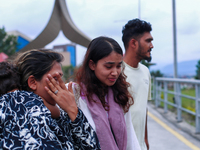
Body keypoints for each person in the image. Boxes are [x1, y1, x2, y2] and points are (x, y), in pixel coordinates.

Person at [0, 49, 100, 150]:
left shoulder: (61, 114)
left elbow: (92, 147)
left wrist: (73, 111)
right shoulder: (21, 109)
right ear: (33, 82)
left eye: (61, 78)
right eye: (55, 79)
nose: (61, 85)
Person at [65, 36, 141, 150]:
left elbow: (130, 136)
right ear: (92, 65)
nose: (115, 72)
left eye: (119, 66)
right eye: (109, 66)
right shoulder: (73, 93)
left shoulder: (119, 94)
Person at [122, 18, 153, 150]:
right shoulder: (115, 73)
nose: (151, 45)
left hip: (140, 146)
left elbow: (143, 108)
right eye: (148, 41)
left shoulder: (146, 72)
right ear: (133, 43)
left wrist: (145, 140)